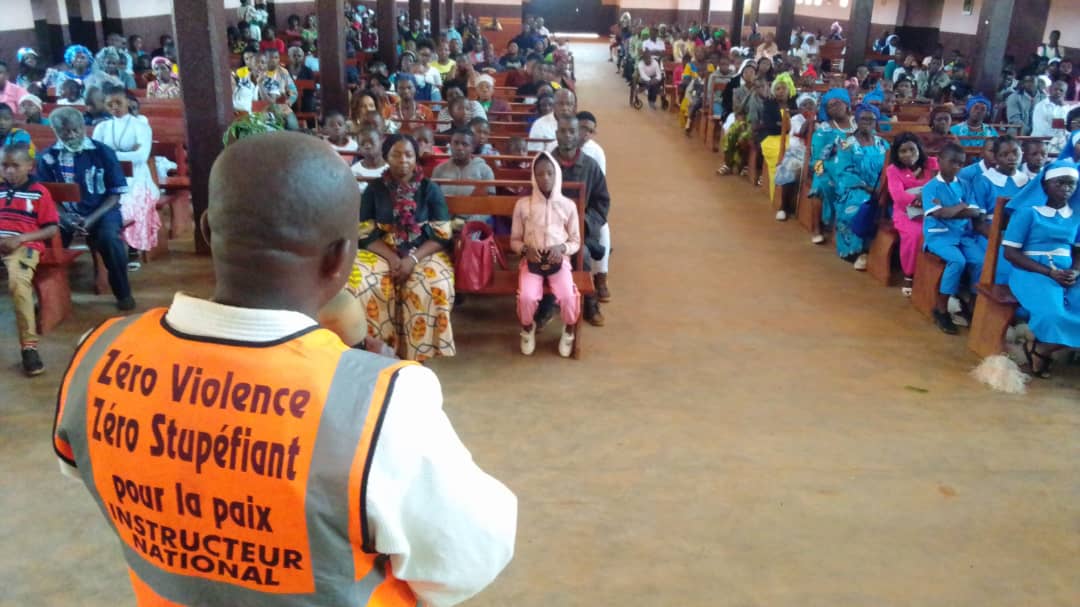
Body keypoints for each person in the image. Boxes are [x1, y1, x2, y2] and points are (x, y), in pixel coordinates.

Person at [55, 128, 516, 603]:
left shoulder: (97, 354)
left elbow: (87, 470)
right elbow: (470, 556)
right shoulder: (383, 404)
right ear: (341, 256)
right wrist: (374, 382)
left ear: (208, 231)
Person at [348, 133, 456, 360]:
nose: (403, 160)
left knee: (432, 284)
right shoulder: (374, 189)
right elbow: (364, 231)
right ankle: (378, 353)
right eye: (396, 154)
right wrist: (393, 258)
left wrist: (412, 260)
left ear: (416, 158)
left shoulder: (429, 189)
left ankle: (419, 356)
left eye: (408, 154)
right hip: (381, 249)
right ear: (386, 156)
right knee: (359, 281)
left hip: (424, 249)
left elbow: (442, 233)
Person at [36, 107, 133, 309]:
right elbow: (47, 197)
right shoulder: (47, 158)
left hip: (102, 211)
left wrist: (91, 219)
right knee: (46, 240)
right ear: (55, 131)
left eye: (75, 130)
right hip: (65, 215)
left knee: (109, 239)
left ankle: (123, 293)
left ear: (83, 128)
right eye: (64, 131)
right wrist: (65, 218)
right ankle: (48, 297)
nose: (71, 135)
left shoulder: (102, 152)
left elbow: (115, 194)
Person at [1002, 161, 1080, 378]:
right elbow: (1010, 253)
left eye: (1071, 184)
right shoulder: (1028, 213)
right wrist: (1049, 273)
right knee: (1053, 314)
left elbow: (1078, 252)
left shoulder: (1075, 215)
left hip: (1067, 274)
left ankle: (1042, 348)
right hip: (1032, 272)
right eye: (1060, 183)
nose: (1066, 188)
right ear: (1045, 185)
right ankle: (1042, 348)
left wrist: (1076, 271)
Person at [512, 151, 581, 358]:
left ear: (557, 174)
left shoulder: (568, 206)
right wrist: (525, 249)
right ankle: (527, 327)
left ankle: (569, 329)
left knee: (568, 295)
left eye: (550, 173)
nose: (545, 179)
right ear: (534, 176)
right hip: (531, 261)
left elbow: (576, 241)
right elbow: (515, 240)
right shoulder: (523, 205)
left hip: (558, 261)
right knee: (526, 296)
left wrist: (561, 249)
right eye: (540, 174)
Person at [1, 142, 59, 375]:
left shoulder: (39, 192)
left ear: (29, 166)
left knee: (18, 283)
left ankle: (29, 347)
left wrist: (20, 239)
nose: (9, 171)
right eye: (4, 166)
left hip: (24, 245)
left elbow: (51, 229)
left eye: (15, 166)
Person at [547, 115, 609, 326]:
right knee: (543, 254)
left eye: (572, 131)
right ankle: (545, 305)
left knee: (581, 253)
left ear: (578, 134)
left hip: (578, 231)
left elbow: (602, 203)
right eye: (562, 131)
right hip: (548, 229)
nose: (567, 136)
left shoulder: (590, 166)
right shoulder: (546, 165)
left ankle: (589, 302)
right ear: (556, 134)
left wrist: (584, 223)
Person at [920, 142, 986, 334]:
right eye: (952, 162)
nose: (957, 167)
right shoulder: (931, 187)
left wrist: (953, 210)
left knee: (980, 261)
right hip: (938, 236)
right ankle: (941, 309)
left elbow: (975, 212)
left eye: (960, 163)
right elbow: (940, 214)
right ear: (940, 161)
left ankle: (972, 305)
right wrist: (961, 206)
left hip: (962, 234)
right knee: (957, 261)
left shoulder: (965, 184)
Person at [92, 85, 161, 258]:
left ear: (128, 102)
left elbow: (140, 156)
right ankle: (110, 248)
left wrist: (110, 154)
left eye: (118, 102)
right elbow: (94, 153)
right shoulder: (102, 128)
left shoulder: (140, 126)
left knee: (130, 207)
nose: (114, 107)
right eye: (110, 104)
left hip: (137, 179)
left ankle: (132, 249)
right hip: (109, 180)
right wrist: (126, 153)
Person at [833, 104, 889, 269]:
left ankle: (884, 252)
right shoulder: (846, 144)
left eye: (871, 119)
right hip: (856, 187)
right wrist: (869, 189)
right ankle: (858, 251)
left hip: (881, 187)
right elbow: (844, 171)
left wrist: (883, 188)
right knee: (862, 206)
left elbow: (890, 168)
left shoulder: (883, 144)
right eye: (863, 118)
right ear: (856, 120)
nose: (867, 122)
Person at [887, 132, 939, 295]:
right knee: (914, 235)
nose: (908, 155)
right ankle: (909, 274)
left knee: (942, 231)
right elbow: (898, 196)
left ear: (919, 149)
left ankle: (934, 274)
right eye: (903, 151)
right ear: (897, 153)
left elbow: (941, 186)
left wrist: (927, 199)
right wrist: (919, 197)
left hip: (931, 209)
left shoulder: (932, 163)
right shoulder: (893, 170)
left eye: (912, 150)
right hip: (906, 212)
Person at [808, 88, 856, 245]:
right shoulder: (824, 128)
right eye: (830, 106)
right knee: (820, 185)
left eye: (837, 103)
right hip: (827, 166)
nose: (834, 107)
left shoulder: (858, 123)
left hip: (854, 166)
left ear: (847, 104)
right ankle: (817, 228)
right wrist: (833, 153)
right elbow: (817, 157)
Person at [971, 135, 1029, 224]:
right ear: (995, 157)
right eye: (1004, 154)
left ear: (1022, 153)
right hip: (991, 231)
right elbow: (979, 224)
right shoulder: (983, 181)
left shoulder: (1026, 181)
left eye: (1015, 153)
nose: (1012, 158)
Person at [759, 74, 796, 205]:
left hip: (789, 138)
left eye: (783, 88)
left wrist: (783, 125)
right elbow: (770, 125)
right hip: (771, 138)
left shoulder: (794, 104)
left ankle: (790, 201)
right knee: (779, 162)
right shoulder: (769, 104)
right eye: (778, 89)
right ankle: (777, 198)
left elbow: (795, 125)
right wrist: (784, 126)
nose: (780, 91)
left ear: (789, 90)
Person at [350, 124, 388, 194]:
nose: (367, 146)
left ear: (381, 141)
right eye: (362, 143)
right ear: (359, 147)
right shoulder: (354, 171)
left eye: (371, 141)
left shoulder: (390, 169)